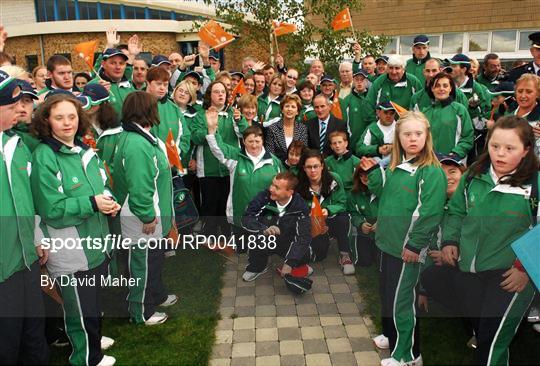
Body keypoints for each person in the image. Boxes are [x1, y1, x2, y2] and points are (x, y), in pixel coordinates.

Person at [421, 115, 539, 366]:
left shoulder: (535, 185)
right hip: (471, 270)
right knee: (432, 279)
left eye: (510, 148)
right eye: (495, 146)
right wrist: (450, 241)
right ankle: (481, 326)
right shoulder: (474, 175)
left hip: (510, 276)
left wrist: (524, 269)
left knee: (490, 343)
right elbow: (456, 211)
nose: (500, 154)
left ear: (527, 149)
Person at [31, 93, 121, 366]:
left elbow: (101, 186)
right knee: (79, 311)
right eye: (59, 117)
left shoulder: (83, 150)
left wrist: (107, 201)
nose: (67, 123)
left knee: (92, 306)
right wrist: (92, 203)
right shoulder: (44, 156)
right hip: (70, 250)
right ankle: (85, 359)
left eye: (71, 116)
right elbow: (51, 209)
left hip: (95, 245)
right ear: (47, 120)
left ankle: (93, 346)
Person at [360, 111, 447, 366]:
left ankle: (409, 355)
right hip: (387, 244)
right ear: (398, 138)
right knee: (388, 294)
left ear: (427, 136)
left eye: (418, 134)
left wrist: (414, 244)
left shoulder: (430, 171)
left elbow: (429, 213)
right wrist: (374, 170)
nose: (412, 138)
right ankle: (390, 334)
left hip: (406, 249)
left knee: (402, 301)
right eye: (407, 134)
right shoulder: (398, 166)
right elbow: (382, 193)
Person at [112, 91, 177, 326]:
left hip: (150, 213)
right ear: (147, 111)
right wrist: (147, 215)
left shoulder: (141, 138)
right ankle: (141, 311)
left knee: (153, 261)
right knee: (141, 264)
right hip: (141, 216)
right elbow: (140, 185)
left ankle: (155, 295)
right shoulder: (137, 143)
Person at [0, 70, 49, 366]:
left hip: (26, 259)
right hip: (2, 267)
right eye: (13, 104)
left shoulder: (16, 145)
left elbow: (26, 199)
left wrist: (37, 237)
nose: (22, 108)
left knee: (33, 334)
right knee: (6, 343)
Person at [190, 81, 248, 240]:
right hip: (208, 169)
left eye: (223, 92)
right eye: (216, 92)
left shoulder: (233, 114)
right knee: (210, 205)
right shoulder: (201, 115)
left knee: (227, 204)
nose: (221, 94)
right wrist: (210, 130)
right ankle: (209, 236)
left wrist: (240, 120)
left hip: (230, 168)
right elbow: (195, 137)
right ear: (209, 95)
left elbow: (245, 135)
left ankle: (227, 235)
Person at [205, 123, 282, 231]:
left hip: (266, 218)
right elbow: (219, 149)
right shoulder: (235, 157)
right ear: (243, 141)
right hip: (239, 218)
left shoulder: (274, 162)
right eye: (250, 141)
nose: (254, 145)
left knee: (264, 247)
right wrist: (212, 131)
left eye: (257, 141)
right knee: (240, 247)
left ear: (262, 141)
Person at [241, 172, 312, 281]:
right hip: (265, 238)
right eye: (272, 184)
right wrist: (263, 229)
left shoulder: (301, 206)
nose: (271, 189)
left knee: (305, 251)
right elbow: (246, 218)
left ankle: (296, 265)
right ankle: (258, 267)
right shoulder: (263, 197)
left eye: (277, 187)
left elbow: (303, 236)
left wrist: (289, 263)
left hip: (287, 240)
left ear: (289, 192)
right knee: (255, 237)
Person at [296, 149, 355, 275]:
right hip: (312, 225)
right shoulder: (298, 185)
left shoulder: (334, 178)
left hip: (331, 219)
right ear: (304, 168)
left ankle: (344, 255)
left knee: (343, 218)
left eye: (316, 166)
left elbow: (342, 203)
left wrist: (327, 210)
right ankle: (321, 243)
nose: (313, 170)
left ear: (322, 166)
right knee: (319, 256)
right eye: (309, 167)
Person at [448, 53, 491, 162]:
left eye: (454, 66)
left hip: (470, 138)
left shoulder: (476, 88)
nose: (450, 69)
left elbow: (483, 118)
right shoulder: (447, 86)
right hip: (450, 132)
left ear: (463, 69)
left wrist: (473, 109)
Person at [146, 67, 191, 168]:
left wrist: (174, 157)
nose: (162, 88)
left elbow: (185, 136)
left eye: (165, 84)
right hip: (146, 165)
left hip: (169, 167)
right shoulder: (138, 104)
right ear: (148, 83)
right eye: (158, 84)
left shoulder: (174, 109)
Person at [422, 72, 474, 159]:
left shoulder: (459, 110)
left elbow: (468, 136)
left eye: (445, 86)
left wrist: (455, 154)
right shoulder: (424, 113)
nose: (441, 89)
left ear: (450, 89)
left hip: (453, 161)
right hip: (429, 161)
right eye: (437, 86)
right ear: (432, 89)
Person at [366, 55, 422, 125]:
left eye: (397, 68)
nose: (393, 72)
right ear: (387, 68)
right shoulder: (379, 81)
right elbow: (369, 103)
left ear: (403, 69)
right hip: (385, 126)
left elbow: (422, 104)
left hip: (407, 125)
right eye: (391, 68)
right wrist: (375, 123)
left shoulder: (413, 81)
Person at [80, 83, 122, 173]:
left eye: (93, 102)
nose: (89, 105)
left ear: (103, 103)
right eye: (85, 101)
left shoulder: (117, 129)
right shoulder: (78, 125)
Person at [347, 163, 378, 267]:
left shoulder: (385, 191)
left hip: (384, 233)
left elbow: (391, 210)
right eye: (361, 175)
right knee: (364, 262)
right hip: (364, 233)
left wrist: (381, 223)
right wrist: (361, 223)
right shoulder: (353, 194)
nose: (365, 178)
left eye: (368, 174)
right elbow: (352, 213)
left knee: (381, 262)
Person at [265, 94, 308, 163]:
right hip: (278, 168)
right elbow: (270, 153)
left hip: (297, 168)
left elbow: (304, 152)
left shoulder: (302, 129)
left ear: (297, 112)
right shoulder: (272, 128)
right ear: (282, 109)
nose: (289, 109)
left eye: (293, 107)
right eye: (287, 106)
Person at [506, 74, 540, 159]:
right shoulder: (508, 114)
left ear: (538, 94)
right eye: (520, 91)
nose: (523, 96)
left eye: (529, 92)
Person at [342, 69, 372, 152]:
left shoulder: (372, 98)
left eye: (362, 80)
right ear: (353, 81)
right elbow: (344, 124)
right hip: (352, 145)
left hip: (369, 144)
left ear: (366, 82)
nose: (359, 82)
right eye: (357, 80)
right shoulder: (347, 100)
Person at [11, 79, 41, 152]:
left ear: (33, 105)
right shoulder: (4, 134)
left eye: (27, 100)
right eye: (17, 100)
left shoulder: (44, 130)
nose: (22, 105)